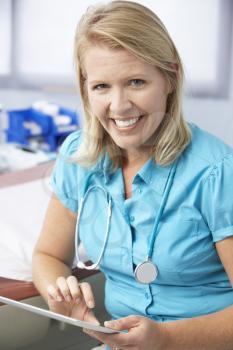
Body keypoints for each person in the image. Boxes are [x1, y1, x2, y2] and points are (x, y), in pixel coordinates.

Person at [32, 1, 233, 349]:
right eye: (101, 87)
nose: (119, 105)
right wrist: (60, 294)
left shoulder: (216, 173)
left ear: (169, 78)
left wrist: (167, 339)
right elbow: (47, 256)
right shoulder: (78, 157)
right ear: (85, 87)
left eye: (136, 82)